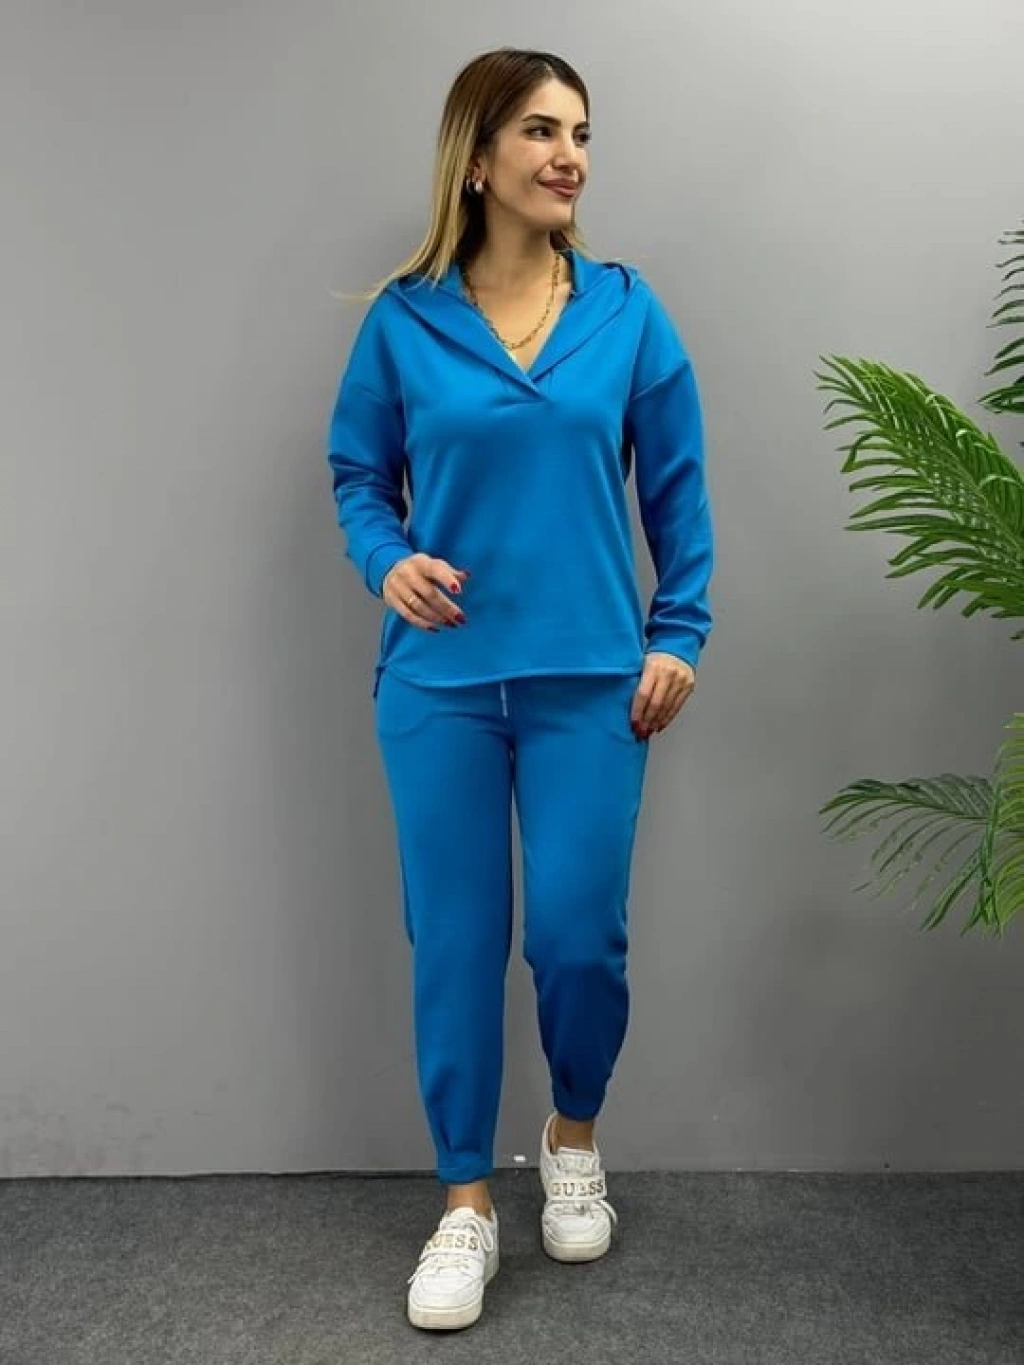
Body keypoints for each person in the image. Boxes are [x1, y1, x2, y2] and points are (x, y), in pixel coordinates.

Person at [324, 46, 714, 1332]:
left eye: (581, 134)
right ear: (478, 156)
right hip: (438, 682)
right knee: (454, 942)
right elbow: (358, 478)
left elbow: (677, 492)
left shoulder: (624, 313)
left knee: (576, 937)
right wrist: (386, 561)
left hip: (592, 679)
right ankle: (463, 1206)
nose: (569, 157)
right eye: (542, 131)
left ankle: (571, 1136)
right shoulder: (405, 320)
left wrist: (679, 630)